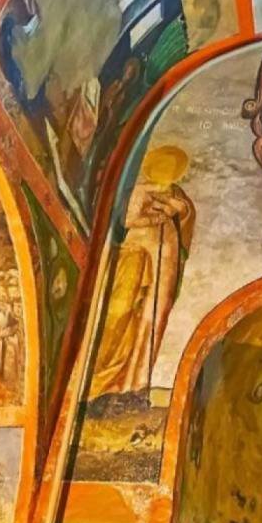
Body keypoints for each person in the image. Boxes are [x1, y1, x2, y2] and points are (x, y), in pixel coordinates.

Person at [88, 146, 196, 397]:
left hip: (164, 262)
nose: (166, 171)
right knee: (119, 310)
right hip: (132, 253)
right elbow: (117, 222)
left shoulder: (178, 196)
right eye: (162, 165)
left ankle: (134, 383)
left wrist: (181, 212)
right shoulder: (136, 192)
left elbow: (186, 225)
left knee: (152, 316)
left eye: (172, 167)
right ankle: (100, 377)